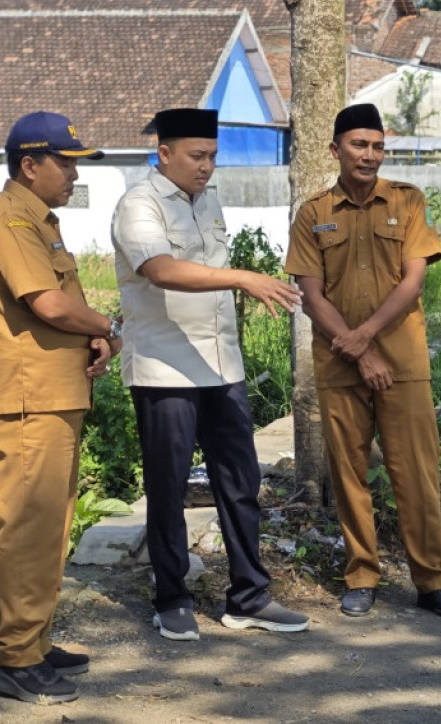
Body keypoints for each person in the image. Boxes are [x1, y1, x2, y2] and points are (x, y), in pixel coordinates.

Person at [110, 107, 309, 641]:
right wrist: (243, 276)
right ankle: (171, 597)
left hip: (222, 365)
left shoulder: (209, 201)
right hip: (164, 369)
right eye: (197, 156)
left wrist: (236, 284)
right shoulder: (139, 204)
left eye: (213, 157)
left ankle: (249, 596)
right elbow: (160, 270)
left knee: (240, 481)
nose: (207, 167)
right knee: (168, 486)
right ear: (165, 153)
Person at [284, 103, 441, 620]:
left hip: (402, 361)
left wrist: (364, 338)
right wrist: (359, 350)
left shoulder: (408, 203)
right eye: (359, 145)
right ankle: (361, 575)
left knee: (416, 473)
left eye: (378, 146)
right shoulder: (314, 213)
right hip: (341, 363)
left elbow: (413, 281)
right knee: (349, 473)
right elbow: (311, 295)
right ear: (336, 148)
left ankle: (432, 580)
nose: (370, 155)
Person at [0, 111, 119, 704]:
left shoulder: (39, 220)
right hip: (28, 397)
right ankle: (11, 659)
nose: (74, 176)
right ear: (29, 165)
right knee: (31, 528)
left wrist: (96, 336)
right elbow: (48, 304)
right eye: (66, 163)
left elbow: (62, 305)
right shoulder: (7, 217)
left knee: (51, 527)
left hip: (54, 394)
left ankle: (32, 641)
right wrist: (110, 324)